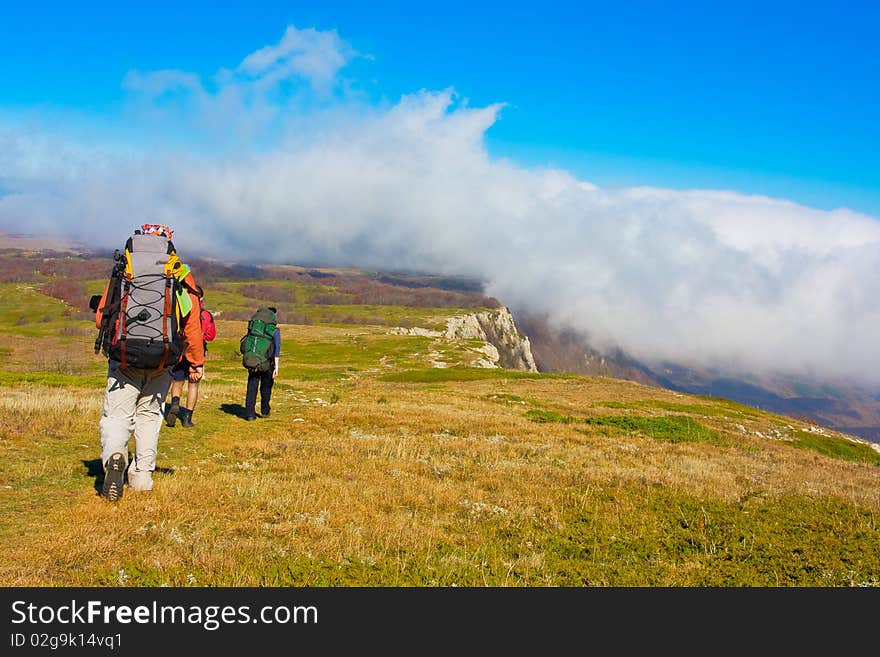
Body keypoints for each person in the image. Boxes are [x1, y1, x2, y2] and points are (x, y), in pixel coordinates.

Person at [93, 224, 205, 501]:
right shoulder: (179, 272)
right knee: (149, 416)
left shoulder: (125, 268)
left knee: (117, 416)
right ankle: (142, 476)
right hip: (163, 359)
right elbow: (192, 323)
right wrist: (195, 362)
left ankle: (115, 456)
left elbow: (101, 317)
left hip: (124, 356)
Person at [166, 285, 214, 428]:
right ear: (202, 298)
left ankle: (175, 403)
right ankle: (187, 418)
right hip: (197, 353)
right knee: (193, 384)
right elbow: (211, 336)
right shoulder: (205, 315)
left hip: (180, 351)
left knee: (177, 381)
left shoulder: (181, 311)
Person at [244, 306, 280, 421]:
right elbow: (277, 349)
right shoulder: (274, 331)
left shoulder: (254, 327)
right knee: (266, 387)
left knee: (252, 386)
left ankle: (250, 414)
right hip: (267, 362)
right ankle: (265, 410)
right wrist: (276, 366)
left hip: (253, 360)